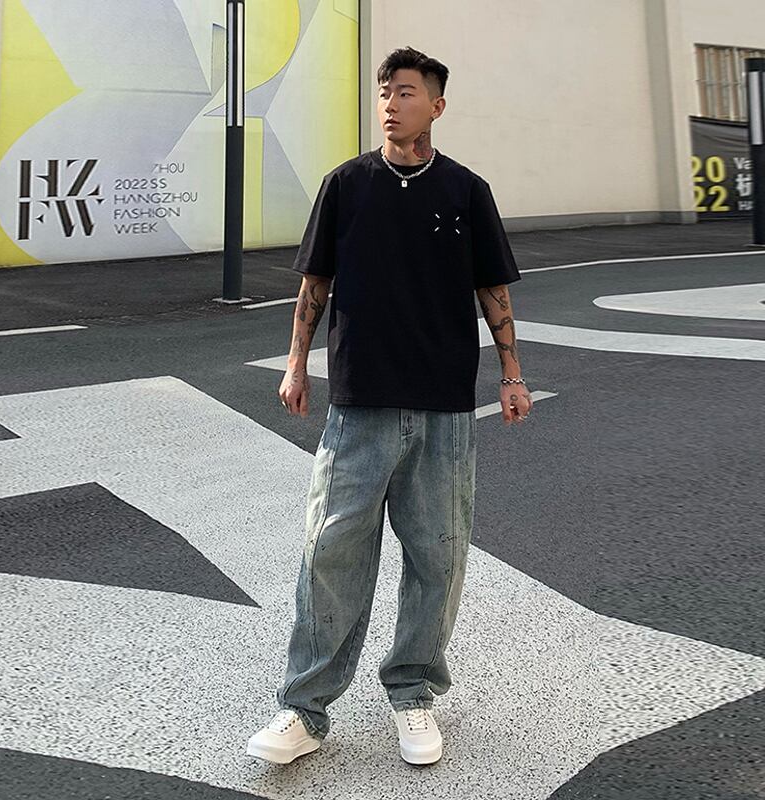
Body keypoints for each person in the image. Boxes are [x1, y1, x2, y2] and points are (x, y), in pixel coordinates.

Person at [246, 45, 532, 766]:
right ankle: (304, 709)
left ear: (437, 105)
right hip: (360, 400)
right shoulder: (346, 184)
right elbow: (314, 282)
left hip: (442, 406)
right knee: (329, 551)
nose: (391, 104)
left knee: (438, 555)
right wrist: (295, 364)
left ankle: (413, 694)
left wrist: (512, 374)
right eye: (384, 93)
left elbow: (493, 289)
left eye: (406, 92)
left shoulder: (467, 191)